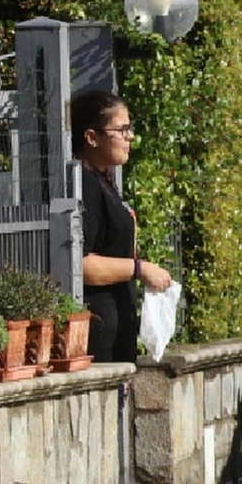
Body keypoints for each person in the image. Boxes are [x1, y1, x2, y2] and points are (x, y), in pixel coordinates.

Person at [70, 90, 173, 362]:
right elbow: (80, 264)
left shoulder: (104, 181)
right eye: (122, 129)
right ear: (92, 137)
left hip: (117, 329)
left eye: (130, 129)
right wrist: (140, 269)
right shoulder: (86, 185)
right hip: (99, 336)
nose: (130, 137)